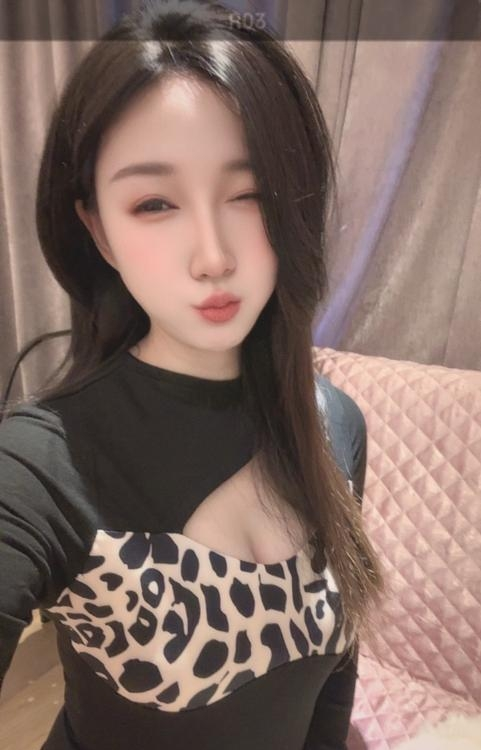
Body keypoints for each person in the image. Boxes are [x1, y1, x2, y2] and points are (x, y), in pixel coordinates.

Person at [0, 1, 387, 748]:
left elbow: (337, 673)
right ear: (96, 229)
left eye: (251, 194)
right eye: (154, 203)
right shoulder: (40, 463)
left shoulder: (335, 422)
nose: (213, 256)